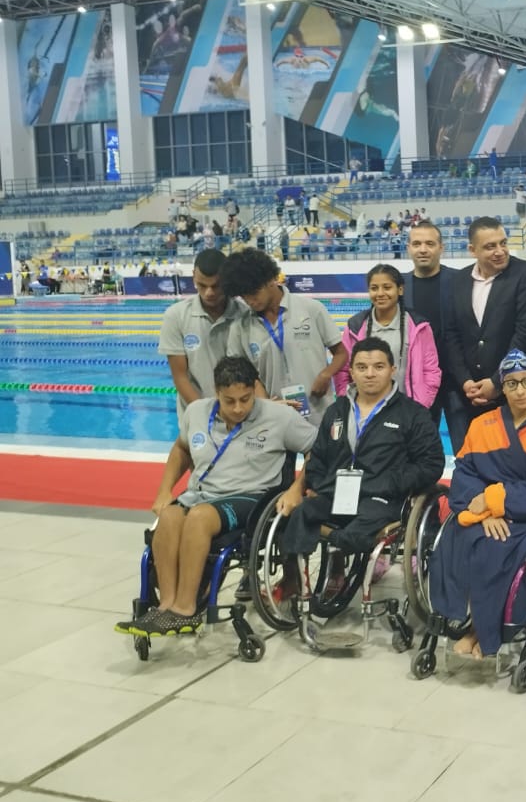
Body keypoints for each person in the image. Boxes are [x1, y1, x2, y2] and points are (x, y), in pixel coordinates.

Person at [114, 356, 316, 637]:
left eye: (245, 399)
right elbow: (181, 449)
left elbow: (316, 450)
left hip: (251, 497)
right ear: (216, 391)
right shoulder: (197, 411)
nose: (238, 408)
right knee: (170, 515)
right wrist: (164, 490)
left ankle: (186, 608)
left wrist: (296, 488)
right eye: (229, 400)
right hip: (201, 493)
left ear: (253, 389)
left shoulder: (280, 417)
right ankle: (166, 606)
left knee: (199, 517)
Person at [428, 350, 526, 658]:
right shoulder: (482, 424)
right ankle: (460, 618)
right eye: (512, 384)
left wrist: (497, 500)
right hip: (486, 513)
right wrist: (486, 511)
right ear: (501, 388)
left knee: (496, 548)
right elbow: (464, 473)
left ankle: (483, 629)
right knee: (457, 535)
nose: (520, 390)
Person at [275, 337, 444, 559]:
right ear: (352, 373)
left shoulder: (412, 414)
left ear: (392, 370)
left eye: (379, 367)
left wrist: (390, 483)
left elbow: (431, 464)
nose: (370, 374)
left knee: (355, 534)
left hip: (382, 498)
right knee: (299, 515)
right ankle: (297, 576)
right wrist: (320, 485)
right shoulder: (336, 411)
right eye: (362, 367)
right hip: (336, 494)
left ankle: (336, 556)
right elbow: (318, 457)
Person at [441, 218, 526, 453]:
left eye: (503, 243)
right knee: (470, 463)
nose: (500, 251)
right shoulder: (458, 281)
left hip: (513, 394)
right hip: (469, 395)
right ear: (473, 250)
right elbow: (451, 334)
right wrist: (465, 382)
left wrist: (498, 381)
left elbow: (525, 334)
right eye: (490, 246)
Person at [220, 248, 347, 426]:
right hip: (275, 420)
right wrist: (265, 403)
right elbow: (241, 375)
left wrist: (326, 375)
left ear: (270, 280)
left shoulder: (312, 309)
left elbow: (341, 353)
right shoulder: (240, 328)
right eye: (244, 297)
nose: (250, 301)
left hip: (320, 414)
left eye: (254, 293)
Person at [334, 265, 440, 411]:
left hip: (408, 411)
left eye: (387, 287)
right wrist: (348, 402)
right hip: (365, 410)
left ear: (400, 290)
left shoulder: (418, 326)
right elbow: (343, 370)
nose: (380, 293)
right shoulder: (355, 327)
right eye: (374, 288)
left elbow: (431, 370)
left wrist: (420, 406)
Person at [157, 249, 246, 416]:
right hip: (196, 415)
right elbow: (180, 377)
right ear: (193, 277)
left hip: (239, 413)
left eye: (216, 286)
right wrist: (206, 414)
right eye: (202, 285)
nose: (209, 293)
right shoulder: (176, 316)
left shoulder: (245, 314)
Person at [402, 221, 457, 431]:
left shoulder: (460, 281)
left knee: (464, 445)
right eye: (417, 244)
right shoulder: (399, 286)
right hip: (418, 382)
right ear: (408, 248)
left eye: (430, 244)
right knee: (420, 445)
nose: (423, 249)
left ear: (441, 247)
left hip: (456, 381)